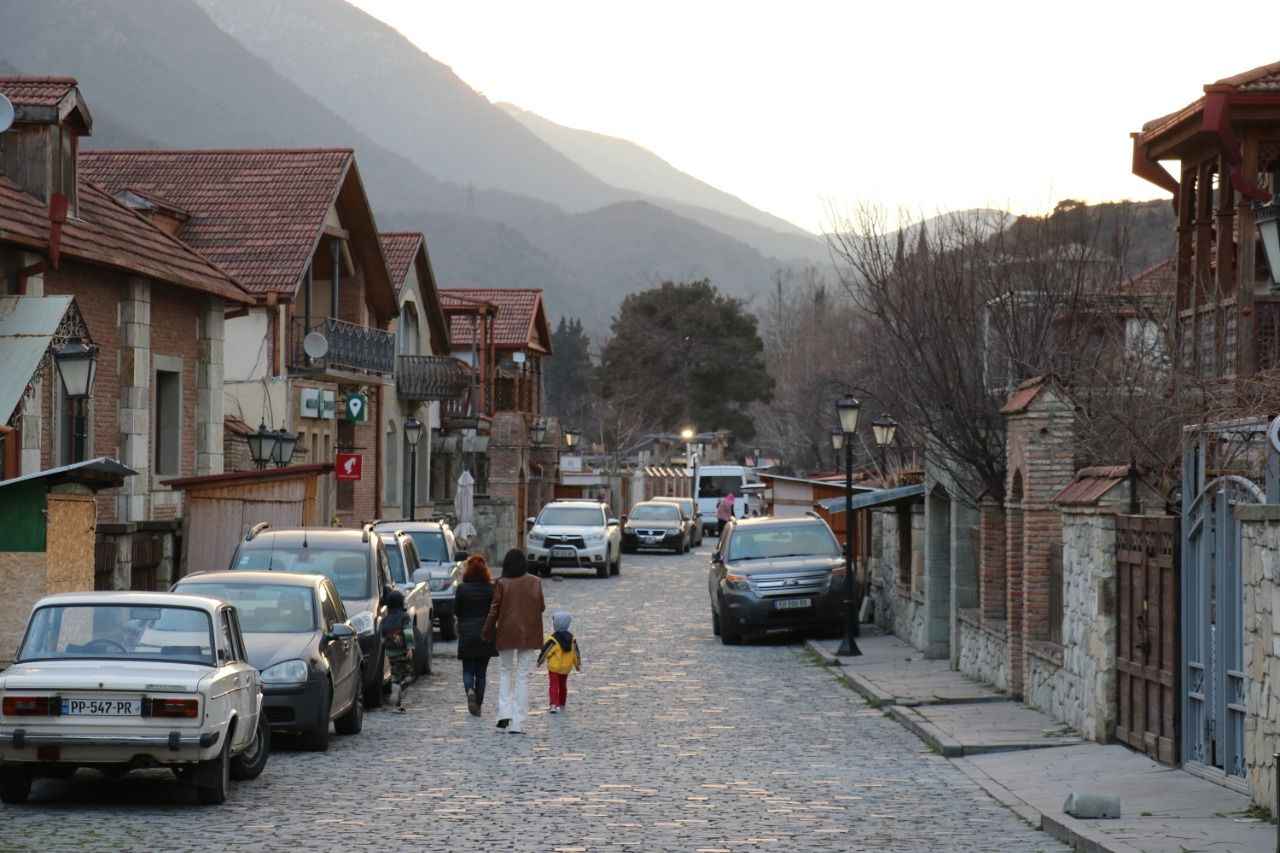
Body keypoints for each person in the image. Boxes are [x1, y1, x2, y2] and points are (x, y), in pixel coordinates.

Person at [482, 549, 545, 734]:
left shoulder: (501, 583)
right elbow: (541, 607)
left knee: (505, 671)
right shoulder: (535, 582)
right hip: (529, 633)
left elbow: (494, 610)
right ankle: (518, 722)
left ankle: (504, 714)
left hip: (506, 632)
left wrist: (486, 630)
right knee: (523, 675)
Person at [454, 554, 498, 717]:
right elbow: (495, 611)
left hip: (467, 633)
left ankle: (470, 691)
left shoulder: (462, 589)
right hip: (485, 634)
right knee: (481, 672)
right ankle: (478, 704)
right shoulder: (490, 588)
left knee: (467, 670)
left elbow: (456, 611)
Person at [537, 610, 581, 714]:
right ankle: (562, 703)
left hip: (554, 667)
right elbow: (576, 652)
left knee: (553, 685)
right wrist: (577, 665)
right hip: (566, 667)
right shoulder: (572, 638)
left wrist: (540, 661)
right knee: (563, 685)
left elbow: (546, 651)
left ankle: (553, 705)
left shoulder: (553, 639)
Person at [380, 588, 414, 711]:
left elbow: (382, 637)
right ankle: (398, 688)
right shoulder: (405, 617)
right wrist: (410, 647)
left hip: (390, 652)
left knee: (395, 673)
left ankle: (398, 704)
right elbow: (408, 632)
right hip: (403, 650)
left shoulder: (385, 619)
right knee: (408, 674)